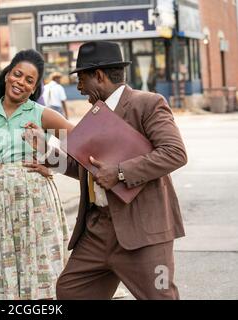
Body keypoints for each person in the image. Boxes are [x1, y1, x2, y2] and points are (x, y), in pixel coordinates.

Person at [34, 41, 187, 300]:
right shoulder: (95, 114)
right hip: (98, 230)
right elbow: (85, 168)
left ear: (100, 76)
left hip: (143, 231)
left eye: (81, 79)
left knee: (160, 295)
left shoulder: (147, 104)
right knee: (71, 290)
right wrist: (46, 152)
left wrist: (119, 172)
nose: (79, 88)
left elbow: (175, 153)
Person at [0, 49, 74, 300]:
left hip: (36, 204)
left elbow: (78, 140)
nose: (20, 83)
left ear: (34, 88)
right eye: (17, 74)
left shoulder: (41, 114)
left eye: (29, 80)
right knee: (0, 269)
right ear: (7, 74)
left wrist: (53, 163)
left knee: (39, 265)